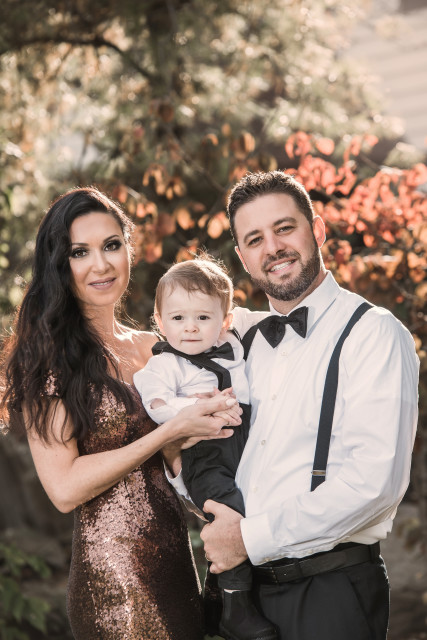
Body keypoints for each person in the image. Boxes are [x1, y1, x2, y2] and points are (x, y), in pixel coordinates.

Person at [170, 171, 420, 640]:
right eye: (255, 239)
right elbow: (221, 461)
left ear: (317, 230)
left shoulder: (373, 333)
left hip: (330, 593)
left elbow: (375, 483)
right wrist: (180, 464)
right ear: (243, 257)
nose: (273, 248)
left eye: (284, 228)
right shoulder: (239, 346)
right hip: (242, 597)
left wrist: (247, 539)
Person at [0, 187, 242, 640]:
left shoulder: (158, 347)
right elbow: (64, 489)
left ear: (129, 249)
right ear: (58, 264)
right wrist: (166, 432)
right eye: (80, 252)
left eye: (112, 245)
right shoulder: (50, 360)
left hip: (177, 564)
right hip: (114, 579)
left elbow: (185, 456)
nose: (101, 264)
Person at [133, 256, 277, 640]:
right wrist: (195, 407)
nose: (191, 327)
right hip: (204, 453)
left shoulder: (234, 345)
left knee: (262, 508)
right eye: (178, 318)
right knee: (229, 515)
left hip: (245, 446)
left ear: (224, 321)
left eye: (202, 317)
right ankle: (235, 607)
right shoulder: (165, 366)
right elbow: (157, 405)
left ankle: (223, 599)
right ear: (160, 321)